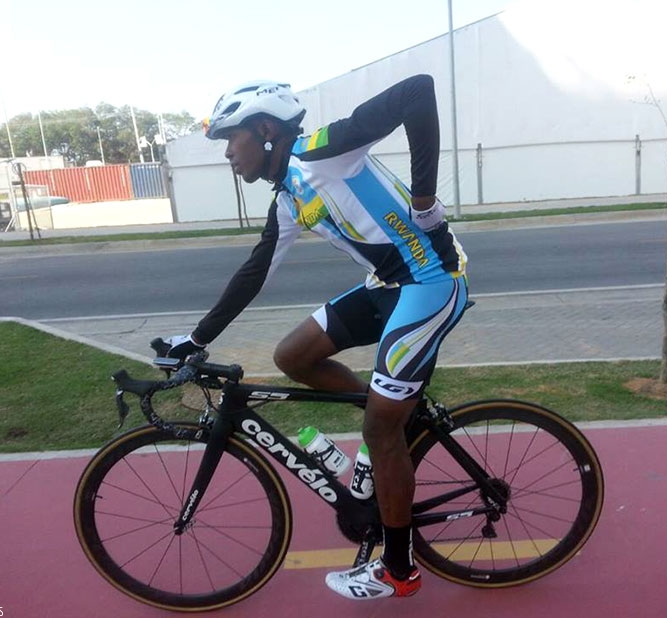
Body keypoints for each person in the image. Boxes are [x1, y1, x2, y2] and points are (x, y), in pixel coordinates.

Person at [165, 74, 468, 600]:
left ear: (264, 130)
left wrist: (423, 200)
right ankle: (390, 419)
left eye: (231, 139)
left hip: (431, 283)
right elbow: (254, 273)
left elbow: (418, 91)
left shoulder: (320, 152)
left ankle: (400, 571)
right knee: (293, 356)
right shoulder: (287, 198)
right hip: (387, 285)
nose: (229, 155)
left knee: (380, 430)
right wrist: (195, 340)